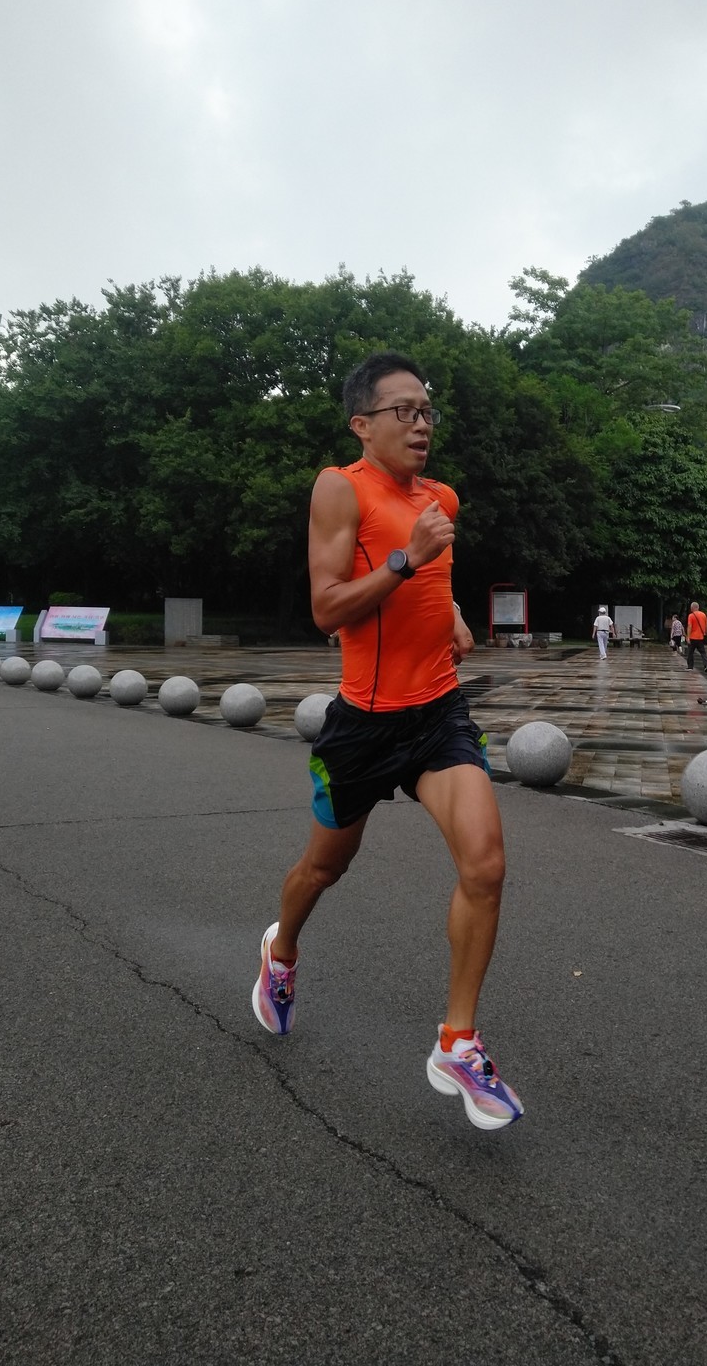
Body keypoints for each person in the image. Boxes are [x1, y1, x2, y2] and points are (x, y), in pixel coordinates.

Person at [251, 351, 523, 1132]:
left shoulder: (442, 497)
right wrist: (409, 559)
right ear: (361, 424)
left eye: (428, 410)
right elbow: (328, 608)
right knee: (322, 868)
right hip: (364, 726)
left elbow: (433, 583)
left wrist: (457, 617)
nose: (422, 424)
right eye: (403, 411)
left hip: (436, 713)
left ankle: (457, 1042)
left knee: (487, 864)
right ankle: (283, 949)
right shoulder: (342, 487)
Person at [685, 601, 707, 671]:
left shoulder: (691, 615)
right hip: (701, 637)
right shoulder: (703, 615)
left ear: (692, 607)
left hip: (693, 637)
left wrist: (688, 637)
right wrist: (705, 634)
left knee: (690, 652)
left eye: (691, 607)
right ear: (698, 607)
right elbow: (706, 626)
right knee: (703, 652)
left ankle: (690, 667)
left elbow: (689, 626)